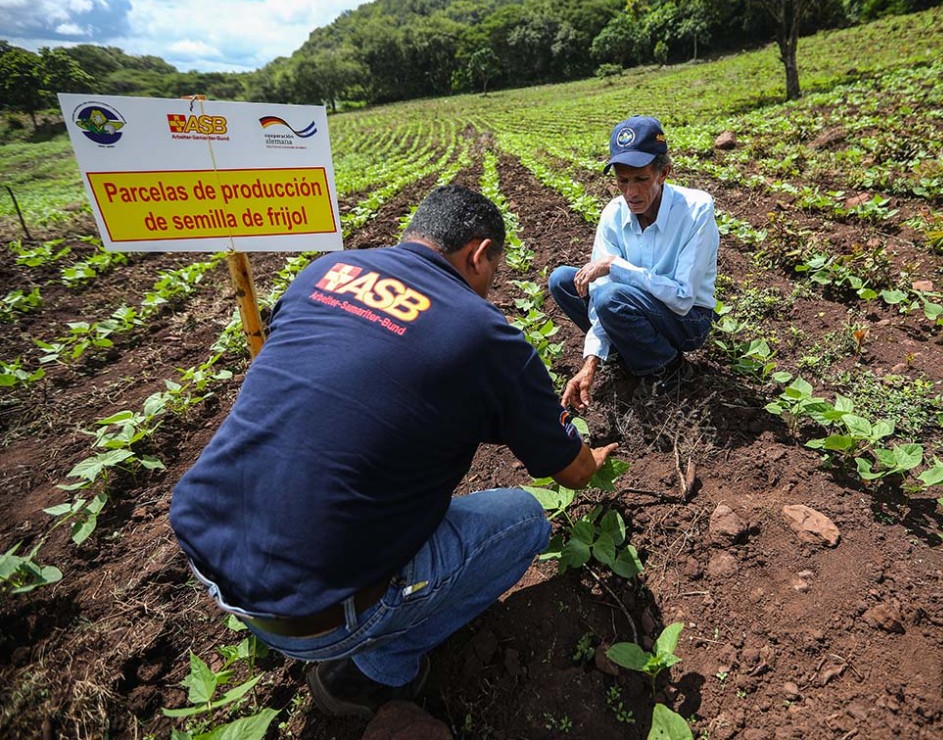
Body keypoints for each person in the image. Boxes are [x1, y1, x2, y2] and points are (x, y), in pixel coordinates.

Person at [169, 185, 618, 719]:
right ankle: (369, 671)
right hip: (320, 612)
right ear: (478, 254)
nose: (490, 289)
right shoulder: (486, 338)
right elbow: (571, 473)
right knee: (523, 522)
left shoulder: (323, 273)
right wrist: (593, 458)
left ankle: (291, 623)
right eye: (492, 272)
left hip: (207, 552)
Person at [549, 115, 719, 411]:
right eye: (623, 181)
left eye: (641, 179)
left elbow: (682, 299)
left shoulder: (696, 211)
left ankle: (667, 367)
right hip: (630, 305)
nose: (631, 193)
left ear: (663, 172)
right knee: (564, 281)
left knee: (609, 293)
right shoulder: (614, 214)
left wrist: (618, 266)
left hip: (688, 319)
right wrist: (592, 361)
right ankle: (623, 353)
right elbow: (601, 289)